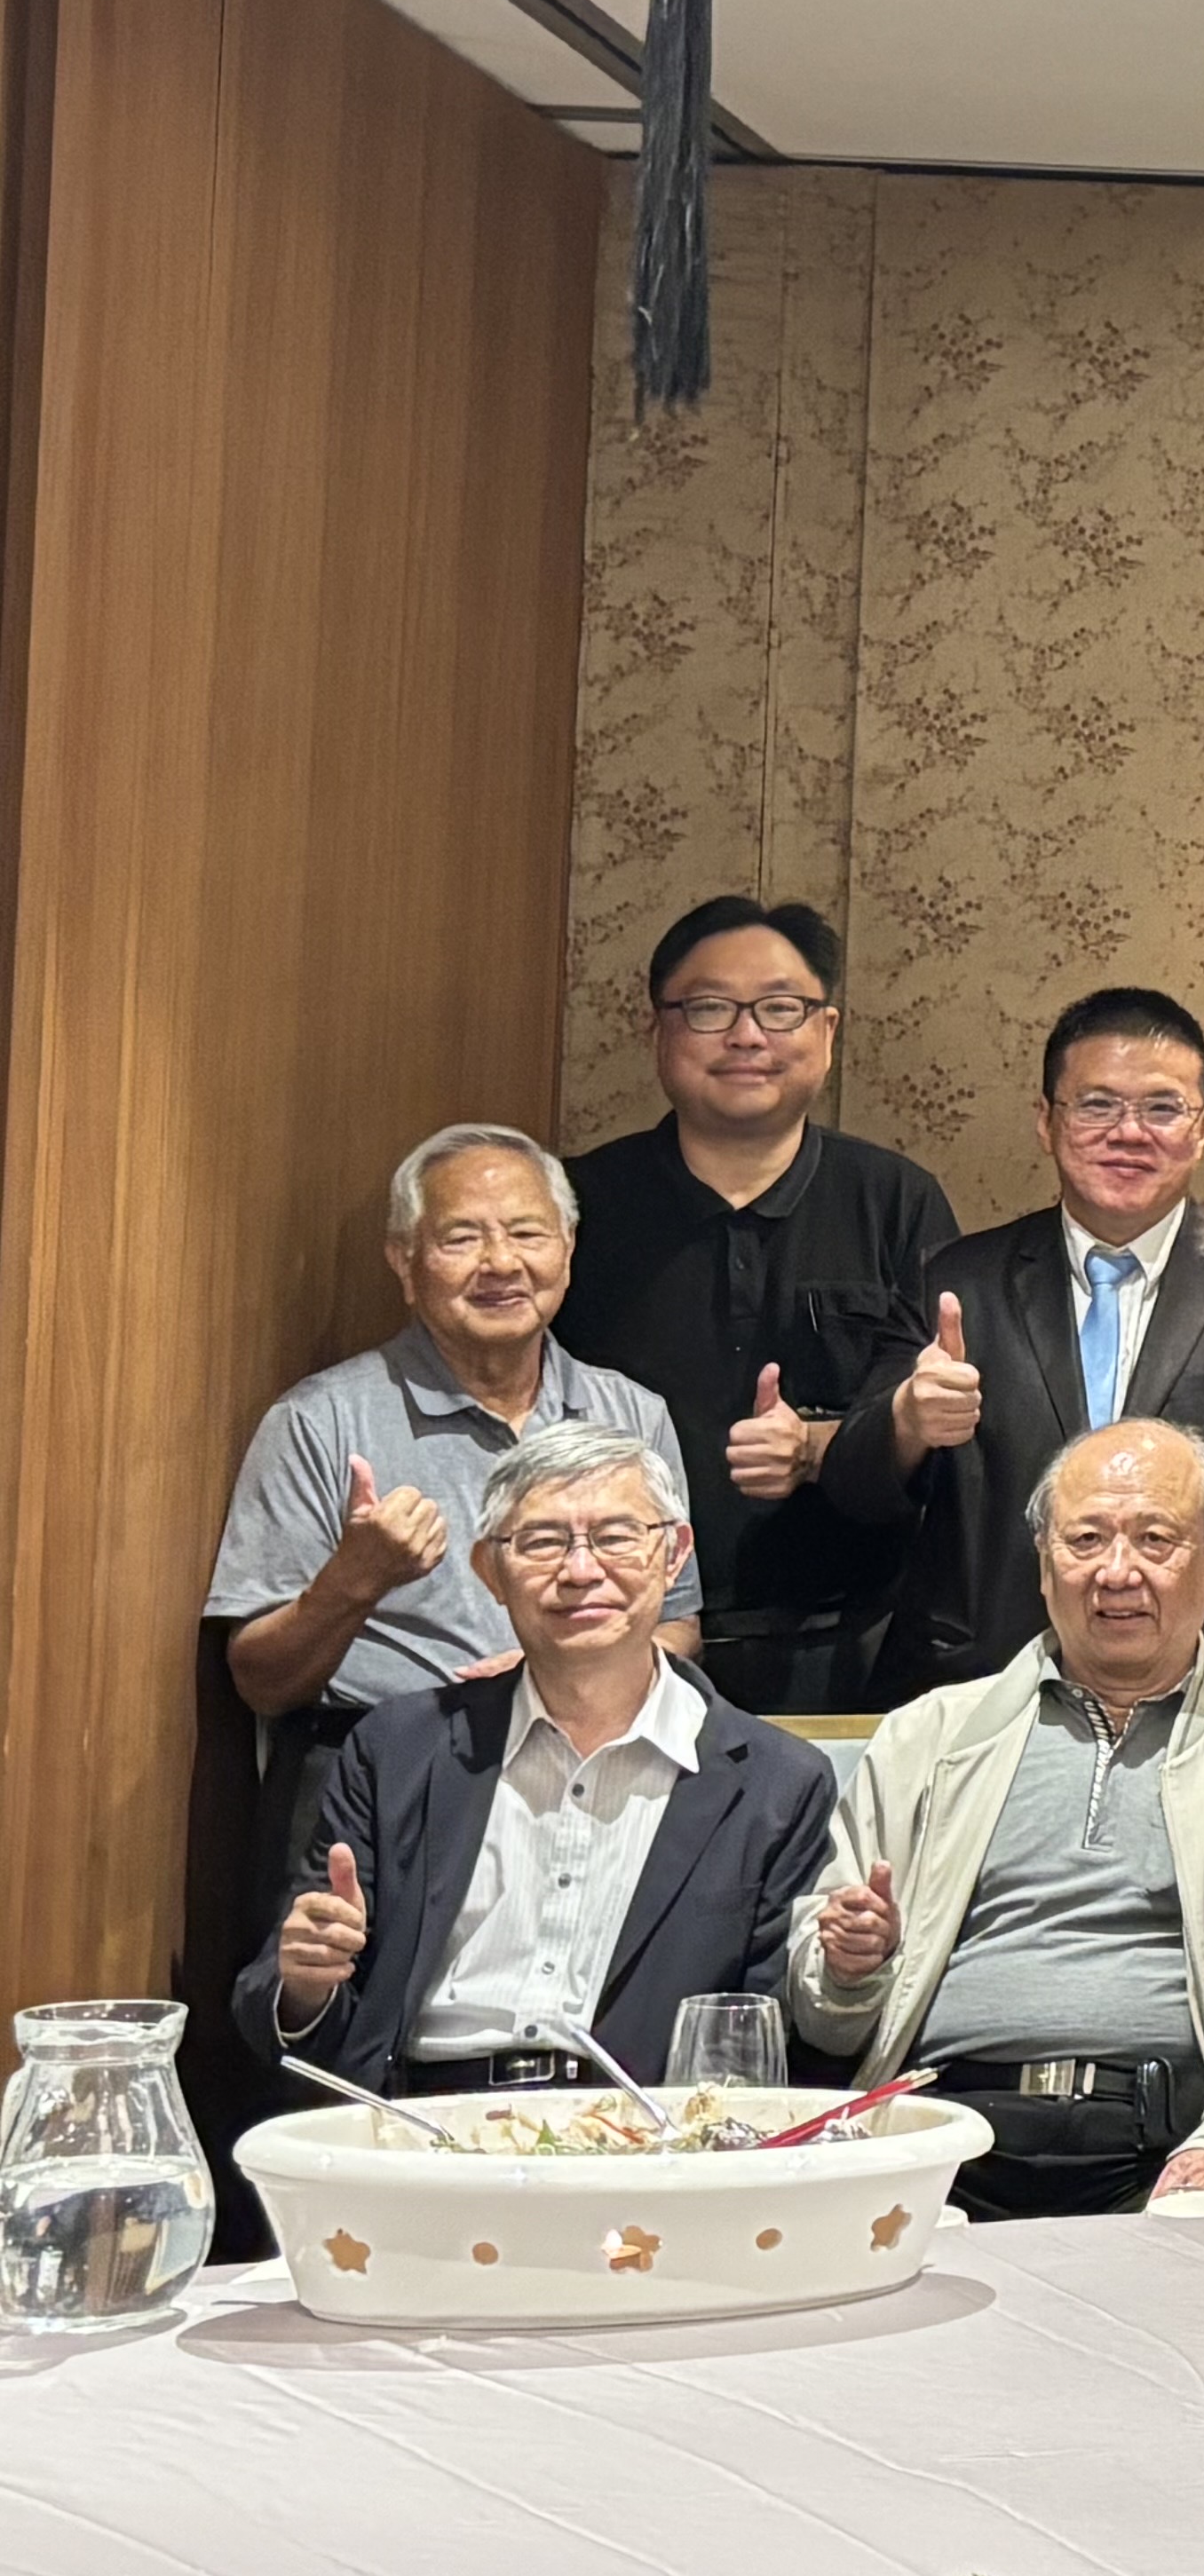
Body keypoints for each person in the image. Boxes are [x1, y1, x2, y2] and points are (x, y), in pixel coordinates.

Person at [784, 1419, 1204, 2216]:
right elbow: (825, 2020)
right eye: (1086, 1539)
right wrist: (850, 1972)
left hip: (1174, 2151)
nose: (1116, 1572)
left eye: (1154, 1540)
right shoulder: (928, 1738)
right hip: (940, 2144)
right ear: (1042, 1563)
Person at [230, 1420, 832, 2098]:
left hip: (645, 2135)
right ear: (490, 1571)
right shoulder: (397, 1749)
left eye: (616, 1537)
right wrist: (305, 1984)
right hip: (417, 2125)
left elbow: (767, 2040)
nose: (581, 1571)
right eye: (543, 1542)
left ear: (674, 1555)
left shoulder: (777, 1783)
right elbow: (282, 2006)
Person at [208, 1127, 700, 1915]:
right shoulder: (319, 1421)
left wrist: (548, 1671)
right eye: (462, 1238)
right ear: (404, 1262)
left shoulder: (632, 1416)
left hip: (593, 1776)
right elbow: (260, 1682)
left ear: (568, 1249)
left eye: (527, 1233)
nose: (501, 1263)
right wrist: (355, 1581)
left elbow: (678, 1627)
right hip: (378, 1777)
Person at [821, 989, 1204, 1694]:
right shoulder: (953, 1282)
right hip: (980, 1692)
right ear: (1046, 1122)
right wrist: (907, 1425)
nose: (1129, 1133)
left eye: (1162, 1108)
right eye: (1097, 1106)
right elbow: (852, 1493)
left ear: (1203, 1128)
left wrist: (1192, 1673)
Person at [558, 895, 963, 1714]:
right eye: (710, 1008)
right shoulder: (577, 1207)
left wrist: (820, 1446)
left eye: (781, 1009)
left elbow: (935, 1431)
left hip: (853, 1644)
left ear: (828, 1031)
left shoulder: (895, 1201)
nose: (747, 1036)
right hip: (614, 1638)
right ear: (658, 1030)